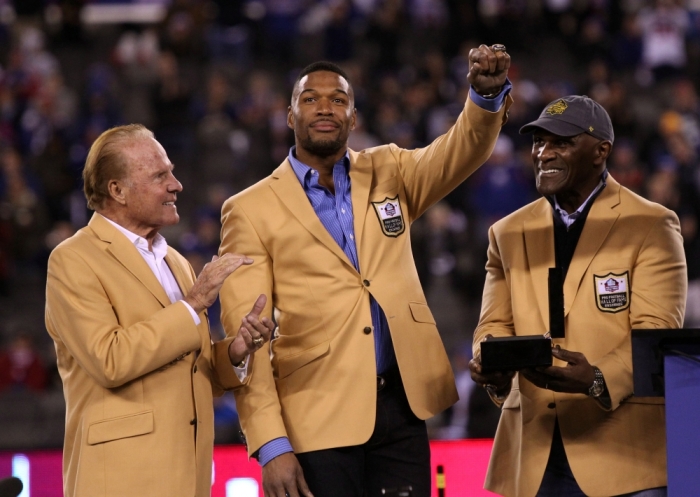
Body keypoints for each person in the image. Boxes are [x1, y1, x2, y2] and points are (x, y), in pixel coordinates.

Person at [218, 47, 512, 497]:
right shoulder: (250, 210)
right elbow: (248, 339)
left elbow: (460, 152)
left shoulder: (389, 169)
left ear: (354, 118)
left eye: (338, 99)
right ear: (289, 115)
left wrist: (484, 99)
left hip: (402, 406)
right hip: (315, 417)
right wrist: (271, 444)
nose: (324, 107)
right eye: (310, 99)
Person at [469, 95, 687, 497]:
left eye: (561, 142)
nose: (543, 153)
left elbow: (654, 332)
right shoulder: (507, 232)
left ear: (600, 151)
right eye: (538, 143)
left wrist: (598, 379)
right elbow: (493, 324)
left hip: (624, 453)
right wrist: (491, 364)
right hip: (532, 454)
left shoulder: (651, 224)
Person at [44, 124, 274, 497]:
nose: (176, 184)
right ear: (116, 190)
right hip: (121, 481)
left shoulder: (177, 262)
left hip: (189, 478)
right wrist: (194, 303)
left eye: (171, 171)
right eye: (159, 175)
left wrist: (235, 351)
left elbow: (190, 370)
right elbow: (110, 360)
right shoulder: (73, 260)